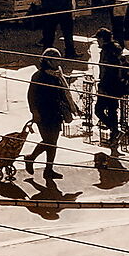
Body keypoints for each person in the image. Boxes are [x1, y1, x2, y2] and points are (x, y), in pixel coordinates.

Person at [22, 48, 76, 182]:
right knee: (49, 141)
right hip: (43, 114)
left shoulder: (57, 75)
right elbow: (31, 96)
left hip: (56, 113)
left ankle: (48, 169)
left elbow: (63, 93)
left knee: (53, 142)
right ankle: (31, 158)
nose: (58, 63)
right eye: (56, 60)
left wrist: (72, 106)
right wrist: (34, 112)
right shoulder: (38, 76)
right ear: (47, 61)